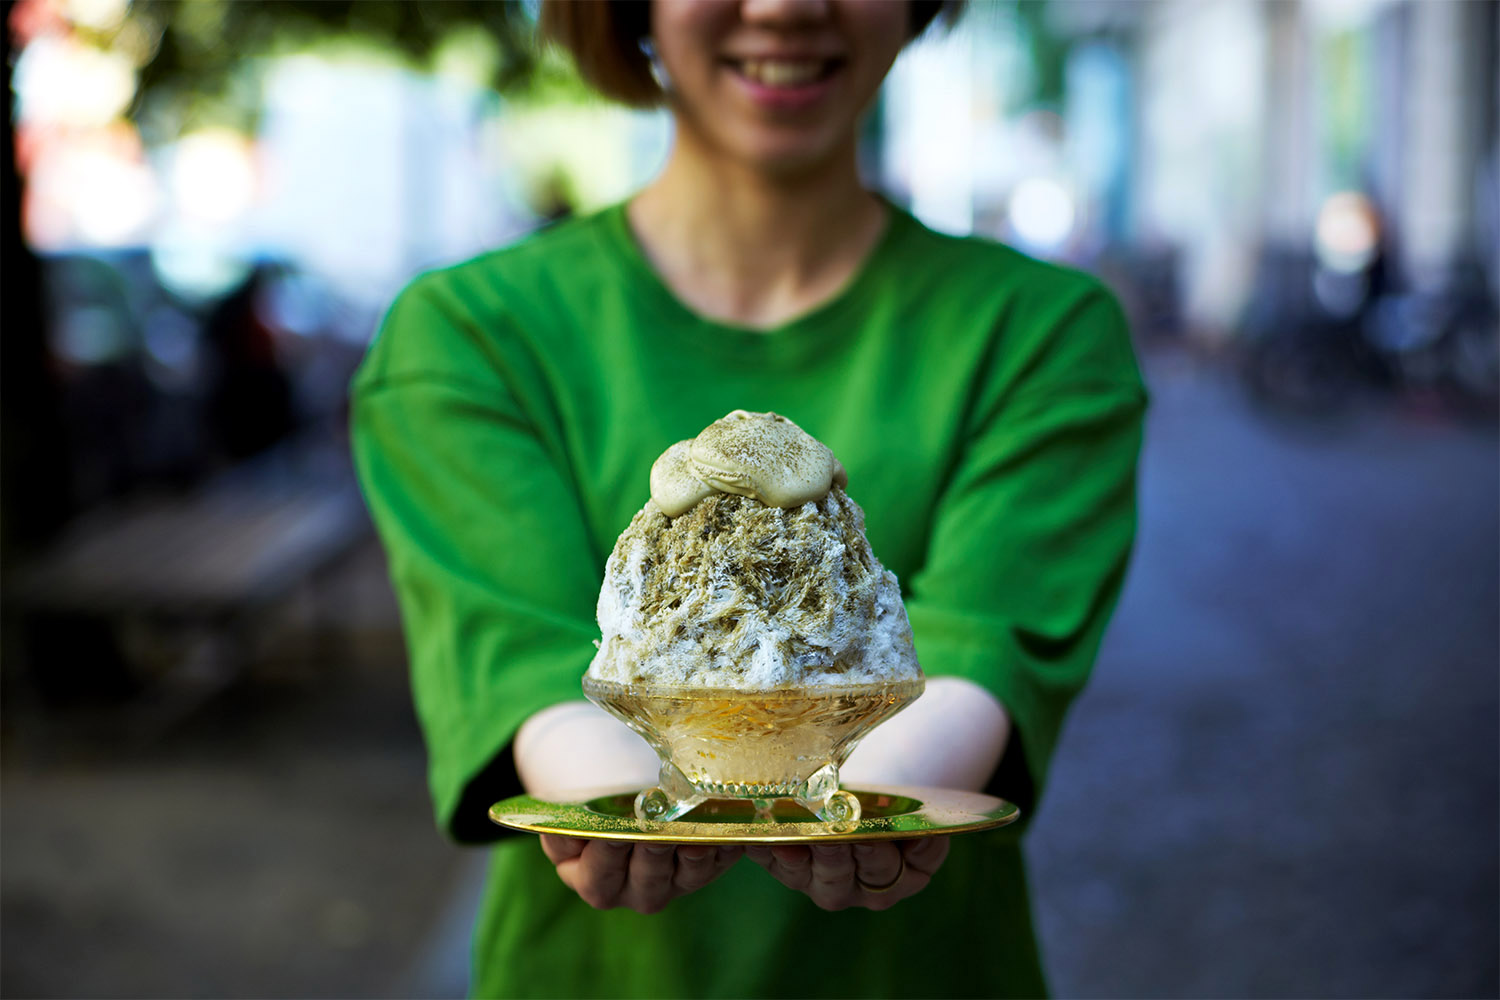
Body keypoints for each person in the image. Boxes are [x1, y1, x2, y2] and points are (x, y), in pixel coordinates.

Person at [351, 1, 1146, 996]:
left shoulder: (1044, 335)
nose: (783, 5)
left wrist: (879, 795)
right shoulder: (465, 337)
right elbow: (513, 654)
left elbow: (986, 642)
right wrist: (598, 781)